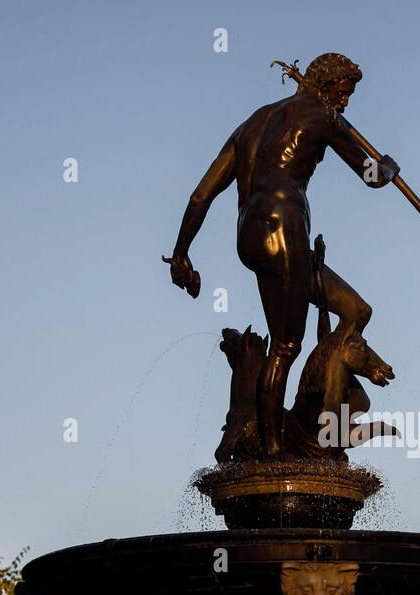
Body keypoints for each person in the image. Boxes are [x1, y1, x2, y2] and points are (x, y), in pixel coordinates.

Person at [166, 53, 399, 458]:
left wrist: (181, 254)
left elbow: (201, 195)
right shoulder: (325, 116)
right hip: (284, 229)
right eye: (343, 94)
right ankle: (275, 450)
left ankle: (322, 421)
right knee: (285, 346)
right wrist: (389, 169)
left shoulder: (250, 125)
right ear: (327, 88)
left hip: (251, 236)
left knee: (356, 310)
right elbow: (370, 175)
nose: (345, 104)